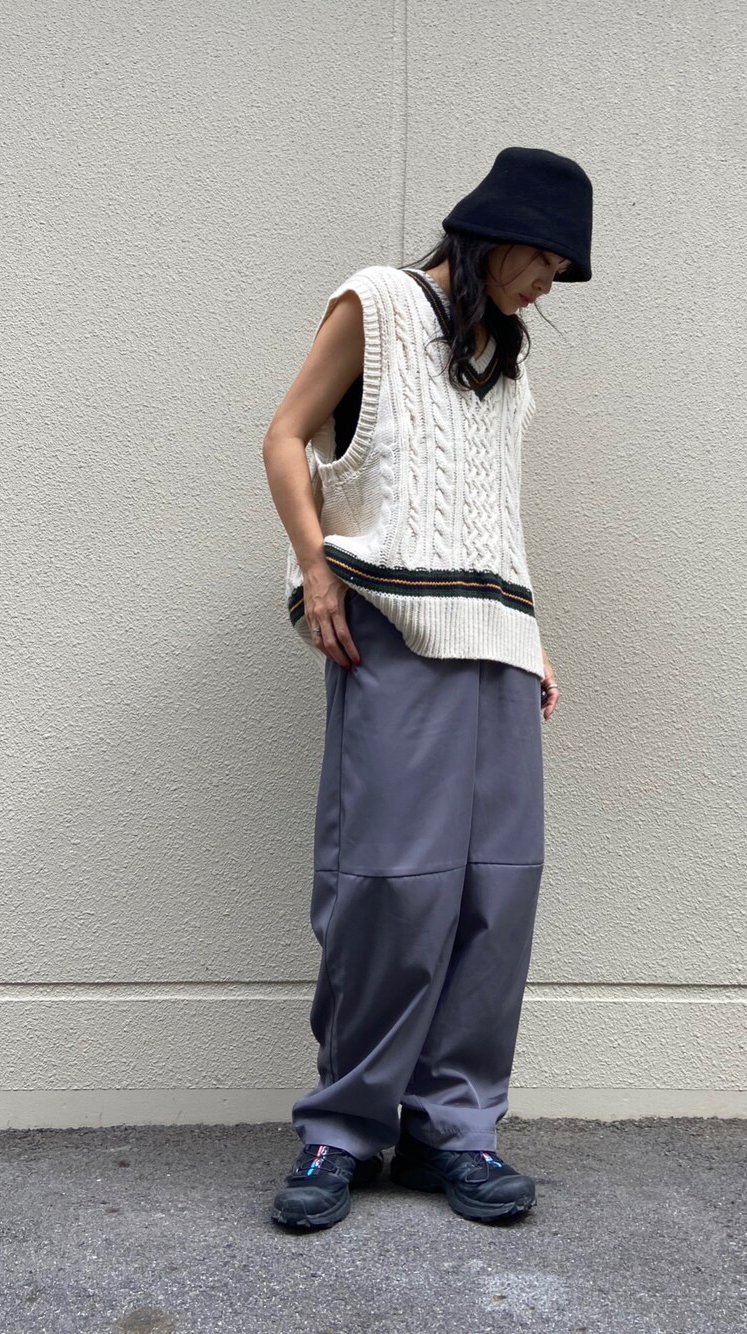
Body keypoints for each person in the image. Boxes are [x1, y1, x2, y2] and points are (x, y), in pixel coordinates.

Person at [261, 147, 593, 1230]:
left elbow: (494, 514)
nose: (546, 283)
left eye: (559, 270)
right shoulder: (378, 304)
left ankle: (454, 1128)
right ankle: (341, 1129)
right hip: (393, 629)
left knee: (498, 892)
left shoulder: (507, 364)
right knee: (390, 888)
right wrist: (315, 569)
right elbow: (284, 436)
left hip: (499, 641)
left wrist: (532, 636)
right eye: (542, 259)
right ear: (494, 233)